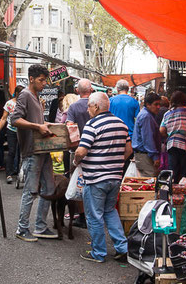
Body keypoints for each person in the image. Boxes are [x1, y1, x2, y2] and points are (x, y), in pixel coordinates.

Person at [74, 92, 131, 263]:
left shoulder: (92, 125)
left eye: (89, 106)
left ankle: (98, 253)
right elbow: (128, 150)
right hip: (115, 177)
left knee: (94, 216)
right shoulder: (121, 124)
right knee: (109, 211)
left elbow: (81, 151)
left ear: (96, 107)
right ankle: (123, 248)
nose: (87, 109)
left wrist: (77, 161)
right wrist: (114, 163)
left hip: (96, 178)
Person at [10, 64, 58, 241]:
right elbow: (15, 119)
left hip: (43, 149)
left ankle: (40, 227)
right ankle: (22, 229)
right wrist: (37, 126)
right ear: (31, 79)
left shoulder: (36, 97)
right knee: (30, 191)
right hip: (32, 150)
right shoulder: (25, 94)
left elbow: (37, 121)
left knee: (49, 188)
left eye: (45, 80)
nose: (44, 83)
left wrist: (45, 124)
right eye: (41, 80)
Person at [66, 78, 93, 228]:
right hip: (95, 149)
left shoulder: (74, 107)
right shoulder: (97, 105)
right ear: (91, 90)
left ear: (77, 90)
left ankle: (82, 216)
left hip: (78, 149)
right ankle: (93, 214)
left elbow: (70, 127)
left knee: (79, 183)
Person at [160, 91, 186, 183]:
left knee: (172, 173)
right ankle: (184, 193)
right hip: (184, 145)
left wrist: (170, 134)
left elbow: (162, 131)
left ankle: (171, 193)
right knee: (185, 173)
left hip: (171, 145)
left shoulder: (167, 114)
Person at [0, 85, 24, 184]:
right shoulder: (9, 103)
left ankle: (20, 172)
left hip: (22, 131)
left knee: (22, 153)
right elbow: (3, 118)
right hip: (11, 130)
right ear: (15, 93)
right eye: (19, 94)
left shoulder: (25, 103)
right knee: (11, 151)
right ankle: (9, 173)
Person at [132, 92, 162, 177]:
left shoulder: (148, 115)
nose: (158, 107)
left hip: (144, 155)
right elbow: (148, 139)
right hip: (145, 156)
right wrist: (155, 156)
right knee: (149, 182)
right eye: (156, 104)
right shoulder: (146, 116)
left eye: (159, 104)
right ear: (148, 105)